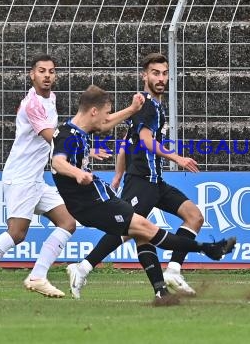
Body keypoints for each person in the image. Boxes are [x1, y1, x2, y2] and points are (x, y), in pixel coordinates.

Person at [51, 84, 236, 304]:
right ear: (93, 111)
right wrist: (77, 173)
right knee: (141, 230)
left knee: (148, 229)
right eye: (106, 112)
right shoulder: (67, 134)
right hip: (98, 200)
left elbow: (116, 134)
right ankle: (204, 251)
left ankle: (175, 275)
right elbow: (57, 162)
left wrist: (131, 109)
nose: (108, 118)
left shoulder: (81, 129)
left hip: (105, 193)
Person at [65, 53, 204, 299]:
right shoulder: (148, 106)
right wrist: (178, 158)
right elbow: (146, 141)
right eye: (155, 73)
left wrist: (118, 174)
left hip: (155, 181)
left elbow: (125, 143)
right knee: (130, 229)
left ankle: (171, 273)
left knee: (193, 216)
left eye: (164, 73)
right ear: (144, 75)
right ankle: (83, 267)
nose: (161, 78)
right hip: (141, 180)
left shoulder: (148, 105)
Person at [0, 54, 81, 299]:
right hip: (20, 176)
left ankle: (38, 276)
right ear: (32, 75)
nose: (47, 75)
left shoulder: (51, 98)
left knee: (68, 223)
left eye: (51, 71)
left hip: (35, 179)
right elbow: (51, 137)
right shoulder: (32, 104)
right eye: (41, 71)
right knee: (17, 233)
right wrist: (83, 146)